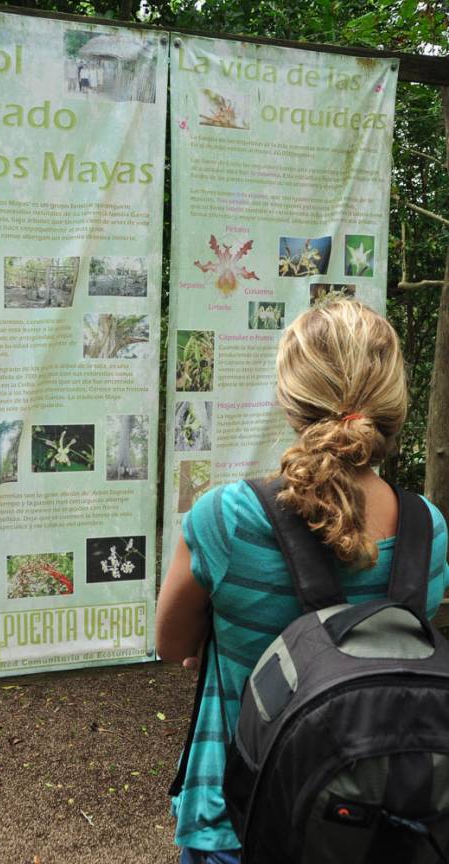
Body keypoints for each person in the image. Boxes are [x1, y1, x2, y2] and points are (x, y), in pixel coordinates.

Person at [156, 299, 449, 864]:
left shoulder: (227, 519)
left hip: (236, 820)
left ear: (292, 403)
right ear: (391, 401)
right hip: (381, 825)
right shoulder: (428, 530)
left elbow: (170, 644)